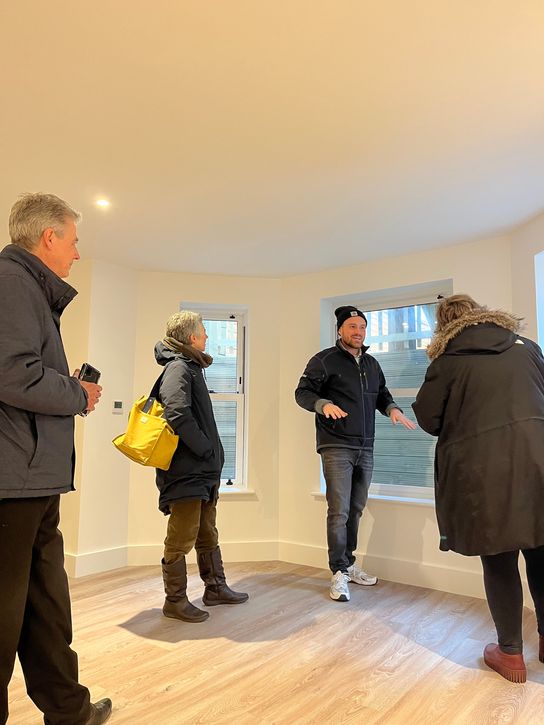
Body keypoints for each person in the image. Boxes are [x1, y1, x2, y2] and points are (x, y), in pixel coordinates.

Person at [0, 194, 112, 724]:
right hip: (9, 481)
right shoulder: (11, 281)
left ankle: (69, 710)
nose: (77, 253)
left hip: (32, 479)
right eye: (73, 240)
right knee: (3, 617)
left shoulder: (28, 290)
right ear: (49, 238)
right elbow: (13, 374)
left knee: (46, 606)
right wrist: (77, 394)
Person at [412, 293, 544, 683]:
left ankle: (511, 655)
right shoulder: (528, 348)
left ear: (443, 326)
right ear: (483, 314)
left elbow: (428, 418)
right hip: (540, 463)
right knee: (541, 550)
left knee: (499, 556)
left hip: (484, 473)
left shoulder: (448, 360)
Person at [295, 305, 416, 602]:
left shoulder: (372, 364)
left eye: (362, 327)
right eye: (352, 326)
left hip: (366, 446)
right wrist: (323, 404)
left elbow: (382, 394)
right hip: (336, 445)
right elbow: (302, 392)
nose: (358, 332)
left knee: (356, 508)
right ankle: (338, 572)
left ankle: (349, 564)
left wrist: (393, 410)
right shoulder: (324, 360)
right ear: (340, 330)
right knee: (339, 511)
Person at [154, 311, 248, 622]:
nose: (207, 337)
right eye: (204, 332)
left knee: (207, 531)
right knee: (182, 535)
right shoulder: (178, 368)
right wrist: (206, 449)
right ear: (192, 337)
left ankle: (215, 588)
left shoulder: (191, 367)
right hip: (186, 471)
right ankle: (175, 601)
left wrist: (209, 458)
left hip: (201, 471)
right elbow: (177, 413)